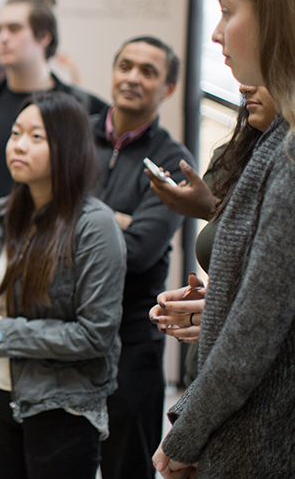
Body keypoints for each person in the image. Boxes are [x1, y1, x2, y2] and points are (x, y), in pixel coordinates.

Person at [0, 92, 126, 479]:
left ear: (68, 147)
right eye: (16, 133)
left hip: (61, 400)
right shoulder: (0, 216)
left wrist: (7, 335)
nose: (18, 145)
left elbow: (95, 334)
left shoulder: (95, 226)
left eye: (36, 137)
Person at [153, 0, 295, 478]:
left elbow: (257, 332)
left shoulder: (288, 150)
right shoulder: (274, 141)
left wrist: (184, 438)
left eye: (227, 13)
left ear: (279, 16)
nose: (216, 34)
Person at [92, 36, 194, 479]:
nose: (132, 77)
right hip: (63, 339)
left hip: (131, 343)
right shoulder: (72, 137)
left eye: (148, 71)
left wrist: (74, 213)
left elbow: (137, 252)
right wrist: (115, 218)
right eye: (126, 66)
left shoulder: (173, 161)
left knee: (126, 469)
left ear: (168, 88)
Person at [147, 85, 277, 381]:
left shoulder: (281, 165)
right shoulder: (244, 147)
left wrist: (229, 312)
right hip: (213, 368)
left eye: (262, 71)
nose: (245, 86)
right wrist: (209, 300)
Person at [0, 0, 107, 211]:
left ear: (44, 36)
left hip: (58, 236)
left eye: (14, 29)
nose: (3, 38)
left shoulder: (83, 107)